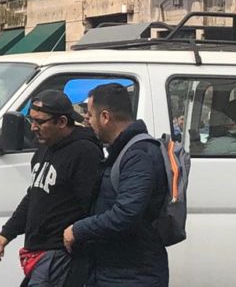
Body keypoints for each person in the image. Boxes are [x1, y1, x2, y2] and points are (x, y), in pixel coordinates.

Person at [0, 90, 102, 287]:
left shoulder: (85, 152)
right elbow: (34, 195)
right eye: (31, 120)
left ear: (61, 122)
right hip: (37, 251)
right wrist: (6, 233)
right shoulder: (44, 148)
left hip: (59, 253)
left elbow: (91, 206)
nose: (33, 128)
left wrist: (77, 237)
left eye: (40, 122)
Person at [64, 83, 169, 287]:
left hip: (133, 274)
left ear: (105, 117)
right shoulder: (122, 152)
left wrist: (77, 230)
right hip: (114, 269)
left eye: (91, 117)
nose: (89, 123)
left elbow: (126, 213)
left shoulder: (138, 155)